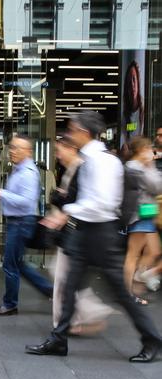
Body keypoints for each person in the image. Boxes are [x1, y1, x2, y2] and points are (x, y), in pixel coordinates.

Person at [26, 111, 162, 362]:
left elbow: (100, 203)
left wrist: (66, 212)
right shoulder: (89, 159)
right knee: (68, 286)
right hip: (86, 230)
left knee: (119, 292)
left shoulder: (101, 162)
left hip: (101, 233)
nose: (68, 134)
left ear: (84, 133)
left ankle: (152, 339)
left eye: (72, 129)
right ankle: (58, 339)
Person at [48, 135, 115, 334]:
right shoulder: (71, 169)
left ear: (71, 148)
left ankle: (75, 319)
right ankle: (71, 320)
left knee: (64, 278)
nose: (57, 155)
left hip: (76, 232)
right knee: (63, 277)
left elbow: (77, 200)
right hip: (72, 232)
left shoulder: (80, 168)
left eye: (60, 150)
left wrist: (61, 202)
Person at [0, 136, 53, 316]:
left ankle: (9, 304)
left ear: (28, 152)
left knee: (10, 264)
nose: (12, 151)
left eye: (17, 148)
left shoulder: (28, 173)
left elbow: (26, 202)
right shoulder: (19, 169)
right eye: (12, 147)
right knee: (18, 263)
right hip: (18, 222)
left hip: (21, 222)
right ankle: (49, 290)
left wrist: (2, 194)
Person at [123, 136, 162, 298]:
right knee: (133, 255)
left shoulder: (134, 166)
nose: (151, 151)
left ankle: (139, 278)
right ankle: (127, 293)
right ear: (141, 150)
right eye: (148, 148)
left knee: (154, 251)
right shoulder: (136, 168)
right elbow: (157, 186)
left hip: (145, 214)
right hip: (139, 215)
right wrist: (151, 165)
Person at [121, 60, 145, 150]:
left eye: (134, 79)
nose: (132, 85)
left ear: (138, 82)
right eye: (129, 81)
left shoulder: (144, 110)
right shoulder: (124, 115)